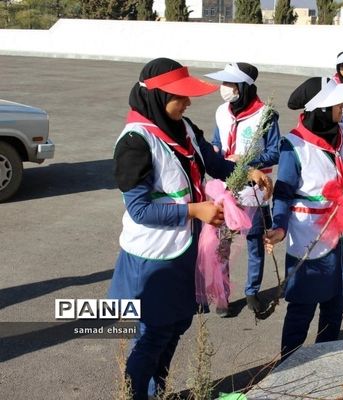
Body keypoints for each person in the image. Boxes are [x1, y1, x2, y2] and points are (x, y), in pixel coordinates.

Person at [108, 58, 272, 400]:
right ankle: (136, 393)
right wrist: (194, 210)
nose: (188, 102)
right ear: (156, 96)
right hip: (153, 258)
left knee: (175, 327)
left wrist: (245, 171)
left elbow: (211, 162)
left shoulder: (182, 127)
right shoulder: (135, 142)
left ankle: (158, 391)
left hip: (185, 251)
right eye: (180, 96)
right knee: (152, 334)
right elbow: (139, 209)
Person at [264, 77, 343, 359]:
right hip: (310, 237)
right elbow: (282, 194)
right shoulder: (293, 145)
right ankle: (289, 363)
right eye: (337, 103)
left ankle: (326, 355)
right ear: (320, 109)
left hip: (342, 233)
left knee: (336, 303)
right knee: (302, 307)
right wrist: (279, 228)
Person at [205, 62, 280, 316]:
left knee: (254, 243)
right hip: (227, 189)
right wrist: (216, 153)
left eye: (229, 83)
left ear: (244, 87)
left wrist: (247, 162)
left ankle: (252, 292)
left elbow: (274, 152)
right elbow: (218, 141)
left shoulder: (266, 114)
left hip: (254, 192)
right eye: (223, 83)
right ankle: (222, 295)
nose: (224, 88)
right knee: (222, 244)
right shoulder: (221, 112)